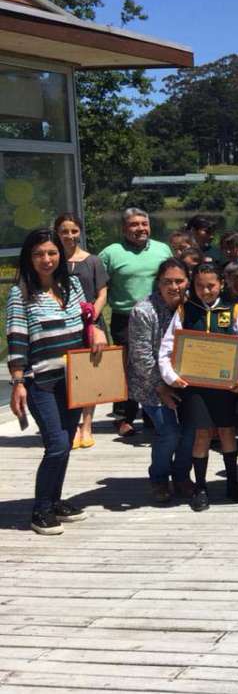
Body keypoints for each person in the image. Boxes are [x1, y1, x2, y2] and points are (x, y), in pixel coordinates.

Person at [6, 229, 107, 535]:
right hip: (41, 381)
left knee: (64, 445)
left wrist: (96, 329)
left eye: (51, 253)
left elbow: (85, 318)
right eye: (38, 254)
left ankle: (55, 499)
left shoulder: (71, 284)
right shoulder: (20, 293)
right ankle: (41, 510)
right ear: (29, 258)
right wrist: (18, 382)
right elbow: (17, 339)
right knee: (57, 444)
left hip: (74, 378)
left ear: (60, 256)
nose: (46, 259)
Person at [159, 263, 238, 511]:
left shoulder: (234, 310)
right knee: (201, 434)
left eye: (211, 285)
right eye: (199, 286)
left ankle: (233, 483)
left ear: (221, 283)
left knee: (227, 432)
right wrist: (170, 376)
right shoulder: (184, 311)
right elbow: (167, 349)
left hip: (226, 385)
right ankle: (200, 487)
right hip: (195, 386)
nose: (205, 291)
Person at [99, 207, 172, 438]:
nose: (140, 228)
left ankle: (152, 413)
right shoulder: (111, 253)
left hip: (159, 314)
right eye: (134, 224)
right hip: (126, 317)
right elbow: (100, 286)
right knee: (128, 366)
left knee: (157, 362)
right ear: (123, 228)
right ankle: (124, 416)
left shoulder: (163, 249)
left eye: (144, 223)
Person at [127, 258, 192, 503]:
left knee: (190, 431)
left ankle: (182, 476)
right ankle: (159, 477)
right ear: (158, 283)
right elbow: (141, 355)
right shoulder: (143, 311)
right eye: (168, 282)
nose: (174, 287)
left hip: (187, 382)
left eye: (180, 281)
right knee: (169, 433)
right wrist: (161, 386)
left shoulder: (192, 306)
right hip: (151, 384)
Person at [54, 212, 108, 450]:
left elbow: (102, 292)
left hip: (91, 325)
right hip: (63, 327)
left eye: (73, 230)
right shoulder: (53, 260)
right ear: (57, 233)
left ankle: (87, 425)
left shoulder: (93, 261)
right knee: (66, 376)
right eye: (64, 231)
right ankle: (72, 425)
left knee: (89, 376)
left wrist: (92, 315)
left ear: (80, 232)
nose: (69, 235)